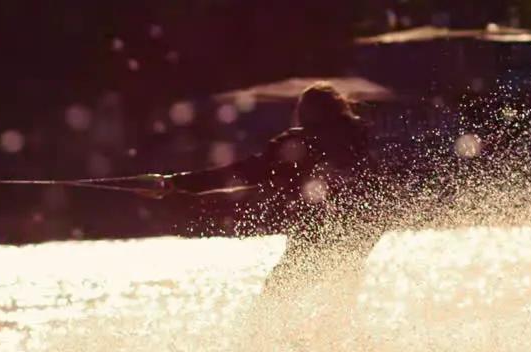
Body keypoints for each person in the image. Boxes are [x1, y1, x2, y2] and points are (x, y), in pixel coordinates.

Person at [145, 82, 384, 303]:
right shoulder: (358, 144)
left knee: (274, 299)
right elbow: (376, 198)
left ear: (307, 112)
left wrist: (177, 183)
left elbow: (244, 173)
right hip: (355, 241)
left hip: (316, 238)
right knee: (332, 302)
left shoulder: (298, 146)